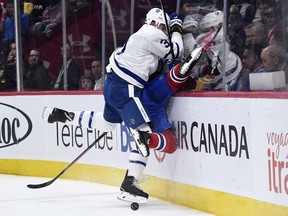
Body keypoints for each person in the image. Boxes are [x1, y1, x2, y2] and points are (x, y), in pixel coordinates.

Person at [42, 8, 203, 203]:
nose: (164, 30)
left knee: (107, 123)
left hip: (112, 86)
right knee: (143, 134)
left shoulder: (139, 37)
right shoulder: (150, 33)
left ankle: (65, 116)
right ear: (157, 23)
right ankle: (130, 183)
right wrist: (176, 28)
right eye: (164, 26)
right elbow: (176, 52)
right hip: (126, 90)